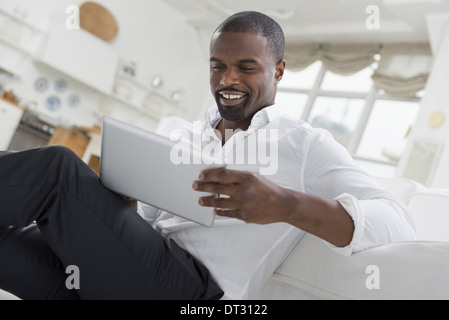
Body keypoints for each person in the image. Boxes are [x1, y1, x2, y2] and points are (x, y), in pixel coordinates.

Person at [0, 11, 416, 300]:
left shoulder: (306, 145)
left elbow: (398, 223)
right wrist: (120, 210)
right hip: (120, 274)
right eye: (218, 65)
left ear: (279, 70)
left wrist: (287, 204)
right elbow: (147, 223)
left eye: (246, 67)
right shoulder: (183, 130)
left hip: (190, 291)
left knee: (58, 169)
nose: (227, 80)